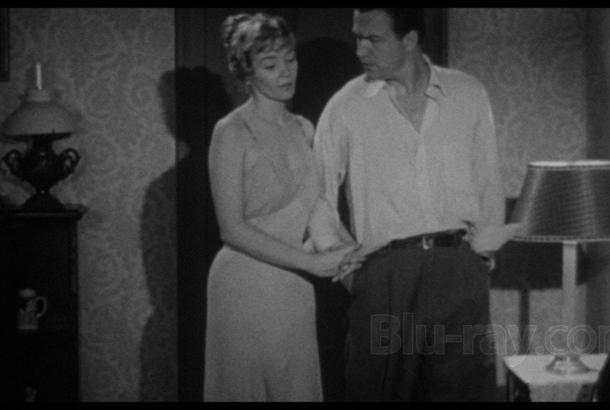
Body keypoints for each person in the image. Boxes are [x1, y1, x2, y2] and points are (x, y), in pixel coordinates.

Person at [311, 8, 508, 402]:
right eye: (357, 37)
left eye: (373, 39)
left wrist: (479, 260)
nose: (360, 49)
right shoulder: (346, 105)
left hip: (457, 271)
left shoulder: (467, 93)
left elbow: (489, 182)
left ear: (410, 40)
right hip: (384, 276)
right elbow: (317, 198)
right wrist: (350, 271)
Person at [202, 12, 364, 402]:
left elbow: (317, 211)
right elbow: (231, 228)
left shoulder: (304, 128)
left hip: (294, 287)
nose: (286, 72)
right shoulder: (231, 131)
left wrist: (352, 257)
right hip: (243, 285)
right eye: (270, 65)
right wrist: (311, 263)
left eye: (290, 59)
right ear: (247, 72)